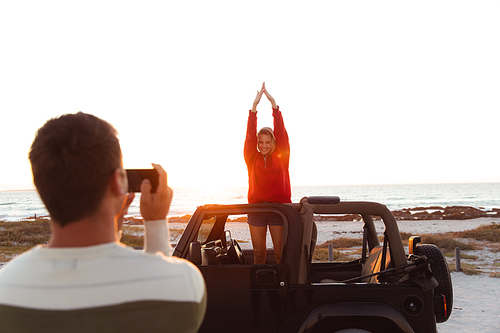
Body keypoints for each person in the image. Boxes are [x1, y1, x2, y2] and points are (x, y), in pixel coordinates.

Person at [0, 112, 206, 333]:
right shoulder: (185, 285)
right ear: (118, 181)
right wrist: (155, 223)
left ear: (41, 185)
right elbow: (159, 284)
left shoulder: (6, 289)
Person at [244, 83, 291, 264]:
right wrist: (253, 109)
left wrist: (274, 105)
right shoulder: (251, 158)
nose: (263, 145)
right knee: (258, 255)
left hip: (279, 209)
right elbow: (249, 136)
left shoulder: (282, 156)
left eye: (268, 142)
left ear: (273, 143)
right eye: (260, 142)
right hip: (256, 209)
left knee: (280, 255)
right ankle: (259, 290)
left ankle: (281, 289)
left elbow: (281, 132)